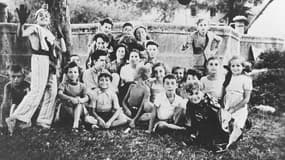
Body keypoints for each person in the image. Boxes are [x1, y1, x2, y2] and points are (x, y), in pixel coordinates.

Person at [6, 4, 66, 135]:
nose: (44, 17)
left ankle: (43, 120)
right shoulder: (35, 28)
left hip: (51, 63)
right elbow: (21, 34)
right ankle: (17, 118)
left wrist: (60, 37)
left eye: (46, 16)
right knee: (37, 90)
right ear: (36, 19)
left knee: (52, 90)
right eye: (40, 15)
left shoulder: (50, 33)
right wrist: (21, 23)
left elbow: (62, 50)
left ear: (49, 20)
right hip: (40, 59)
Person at [184, 81, 226, 152]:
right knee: (197, 137)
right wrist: (192, 132)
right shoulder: (189, 104)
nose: (194, 97)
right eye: (191, 94)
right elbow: (192, 119)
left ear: (202, 92)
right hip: (202, 124)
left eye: (197, 93)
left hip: (217, 123)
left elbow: (216, 118)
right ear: (187, 95)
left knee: (208, 137)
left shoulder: (208, 102)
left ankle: (215, 143)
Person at [222, 56, 253, 150]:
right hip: (227, 106)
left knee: (237, 126)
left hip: (239, 107)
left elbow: (246, 99)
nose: (235, 68)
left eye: (238, 65)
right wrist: (224, 107)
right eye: (233, 66)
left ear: (243, 67)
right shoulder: (228, 77)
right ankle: (230, 134)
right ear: (230, 67)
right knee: (223, 126)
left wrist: (234, 109)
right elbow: (224, 94)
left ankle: (229, 144)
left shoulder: (246, 79)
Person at [57, 62, 91, 132]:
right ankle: (79, 121)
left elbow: (87, 97)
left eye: (75, 72)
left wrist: (80, 100)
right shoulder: (64, 84)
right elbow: (60, 94)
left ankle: (75, 124)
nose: (73, 74)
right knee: (66, 103)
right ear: (66, 74)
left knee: (79, 103)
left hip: (78, 108)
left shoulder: (82, 85)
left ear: (78, 74)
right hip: (67, 109)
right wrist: (71, 98)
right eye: (70, 72)